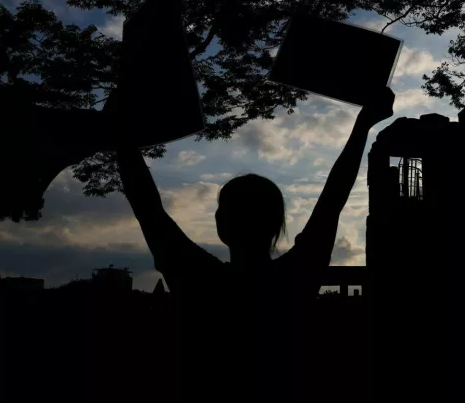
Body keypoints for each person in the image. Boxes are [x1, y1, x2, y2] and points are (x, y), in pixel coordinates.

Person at [116, 86, 395, 400]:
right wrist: (362, 125)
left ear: (221, 223)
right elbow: (332, 200)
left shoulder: (200, 280)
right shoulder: (294, 279)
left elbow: (148, 209)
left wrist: (121, 136)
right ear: (277, 225)